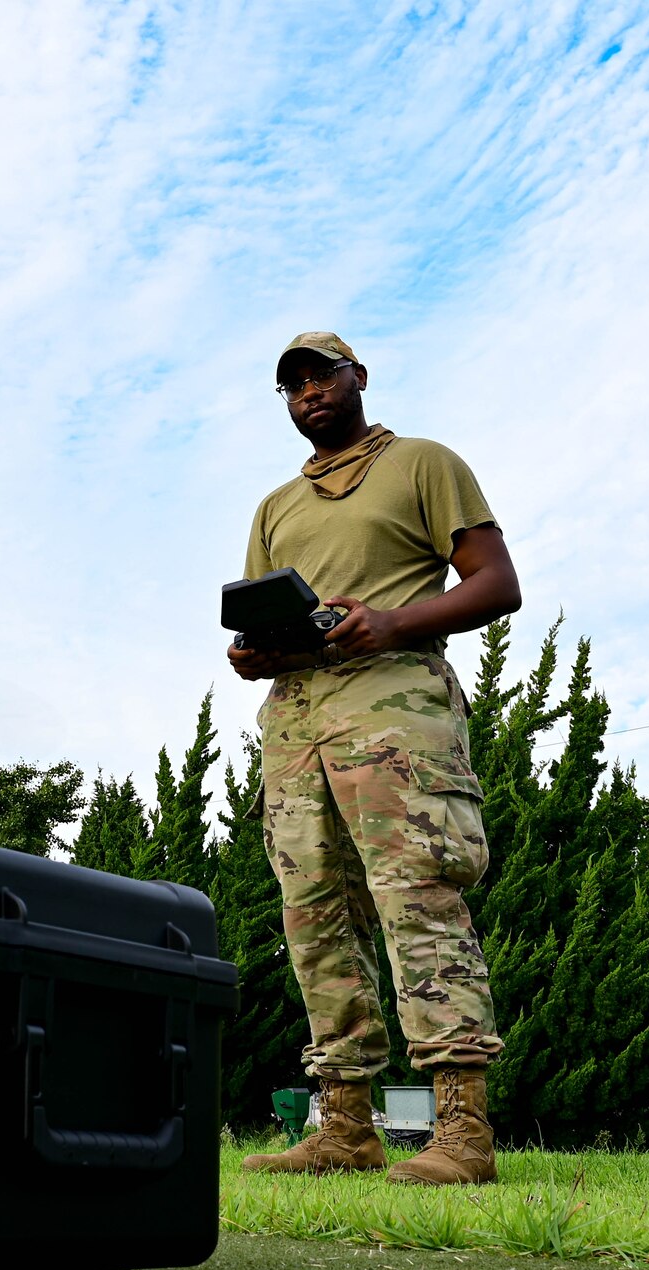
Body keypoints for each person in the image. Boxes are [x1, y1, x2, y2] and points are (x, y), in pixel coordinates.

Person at [230, 332, 520, 1186]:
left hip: (396, 716)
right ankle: (344, 1127)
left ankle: (463, 1133)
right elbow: (261, 618)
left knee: (418, 901)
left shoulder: (424, 463)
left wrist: (391, 620)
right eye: (291, 385)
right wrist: (257, 654)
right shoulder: (276, 505)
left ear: (360, 377)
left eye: (323, 375)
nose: (308, 392)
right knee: (312, 918)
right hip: (295, 725)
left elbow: (497, 583)